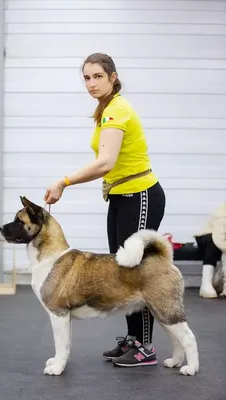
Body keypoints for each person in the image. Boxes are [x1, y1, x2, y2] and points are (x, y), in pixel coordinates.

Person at [44, 53, 166, 367]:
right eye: (86, 78)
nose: (91, 84)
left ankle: (145, 347)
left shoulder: (118, 109)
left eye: (98, 76)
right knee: (122, 271)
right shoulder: (106, 109)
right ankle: (133, 338)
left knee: (137, 272)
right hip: (121, 196)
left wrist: (64, 182)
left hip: (140, 195)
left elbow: (105, 163)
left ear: (112, 76)